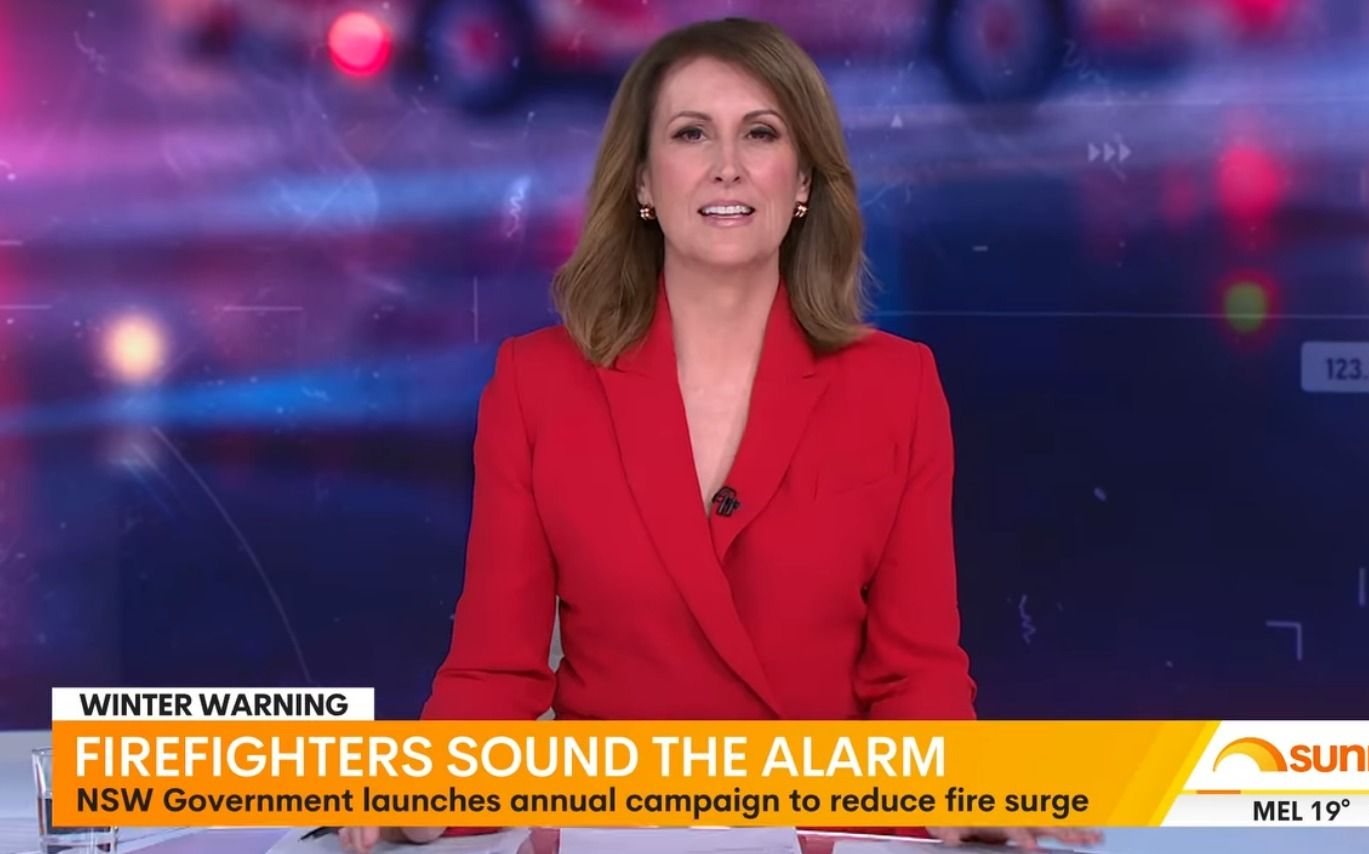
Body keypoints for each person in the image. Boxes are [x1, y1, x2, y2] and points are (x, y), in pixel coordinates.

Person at [343, 17, 1100, 853]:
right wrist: (425, 789)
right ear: (642, 181)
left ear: (803, 181)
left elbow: (915, 674)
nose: (727, 165)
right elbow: (496, 672)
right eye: (691, 134)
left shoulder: (898, 387)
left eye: (761, 134)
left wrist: (961, 790)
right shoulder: (537, 385)